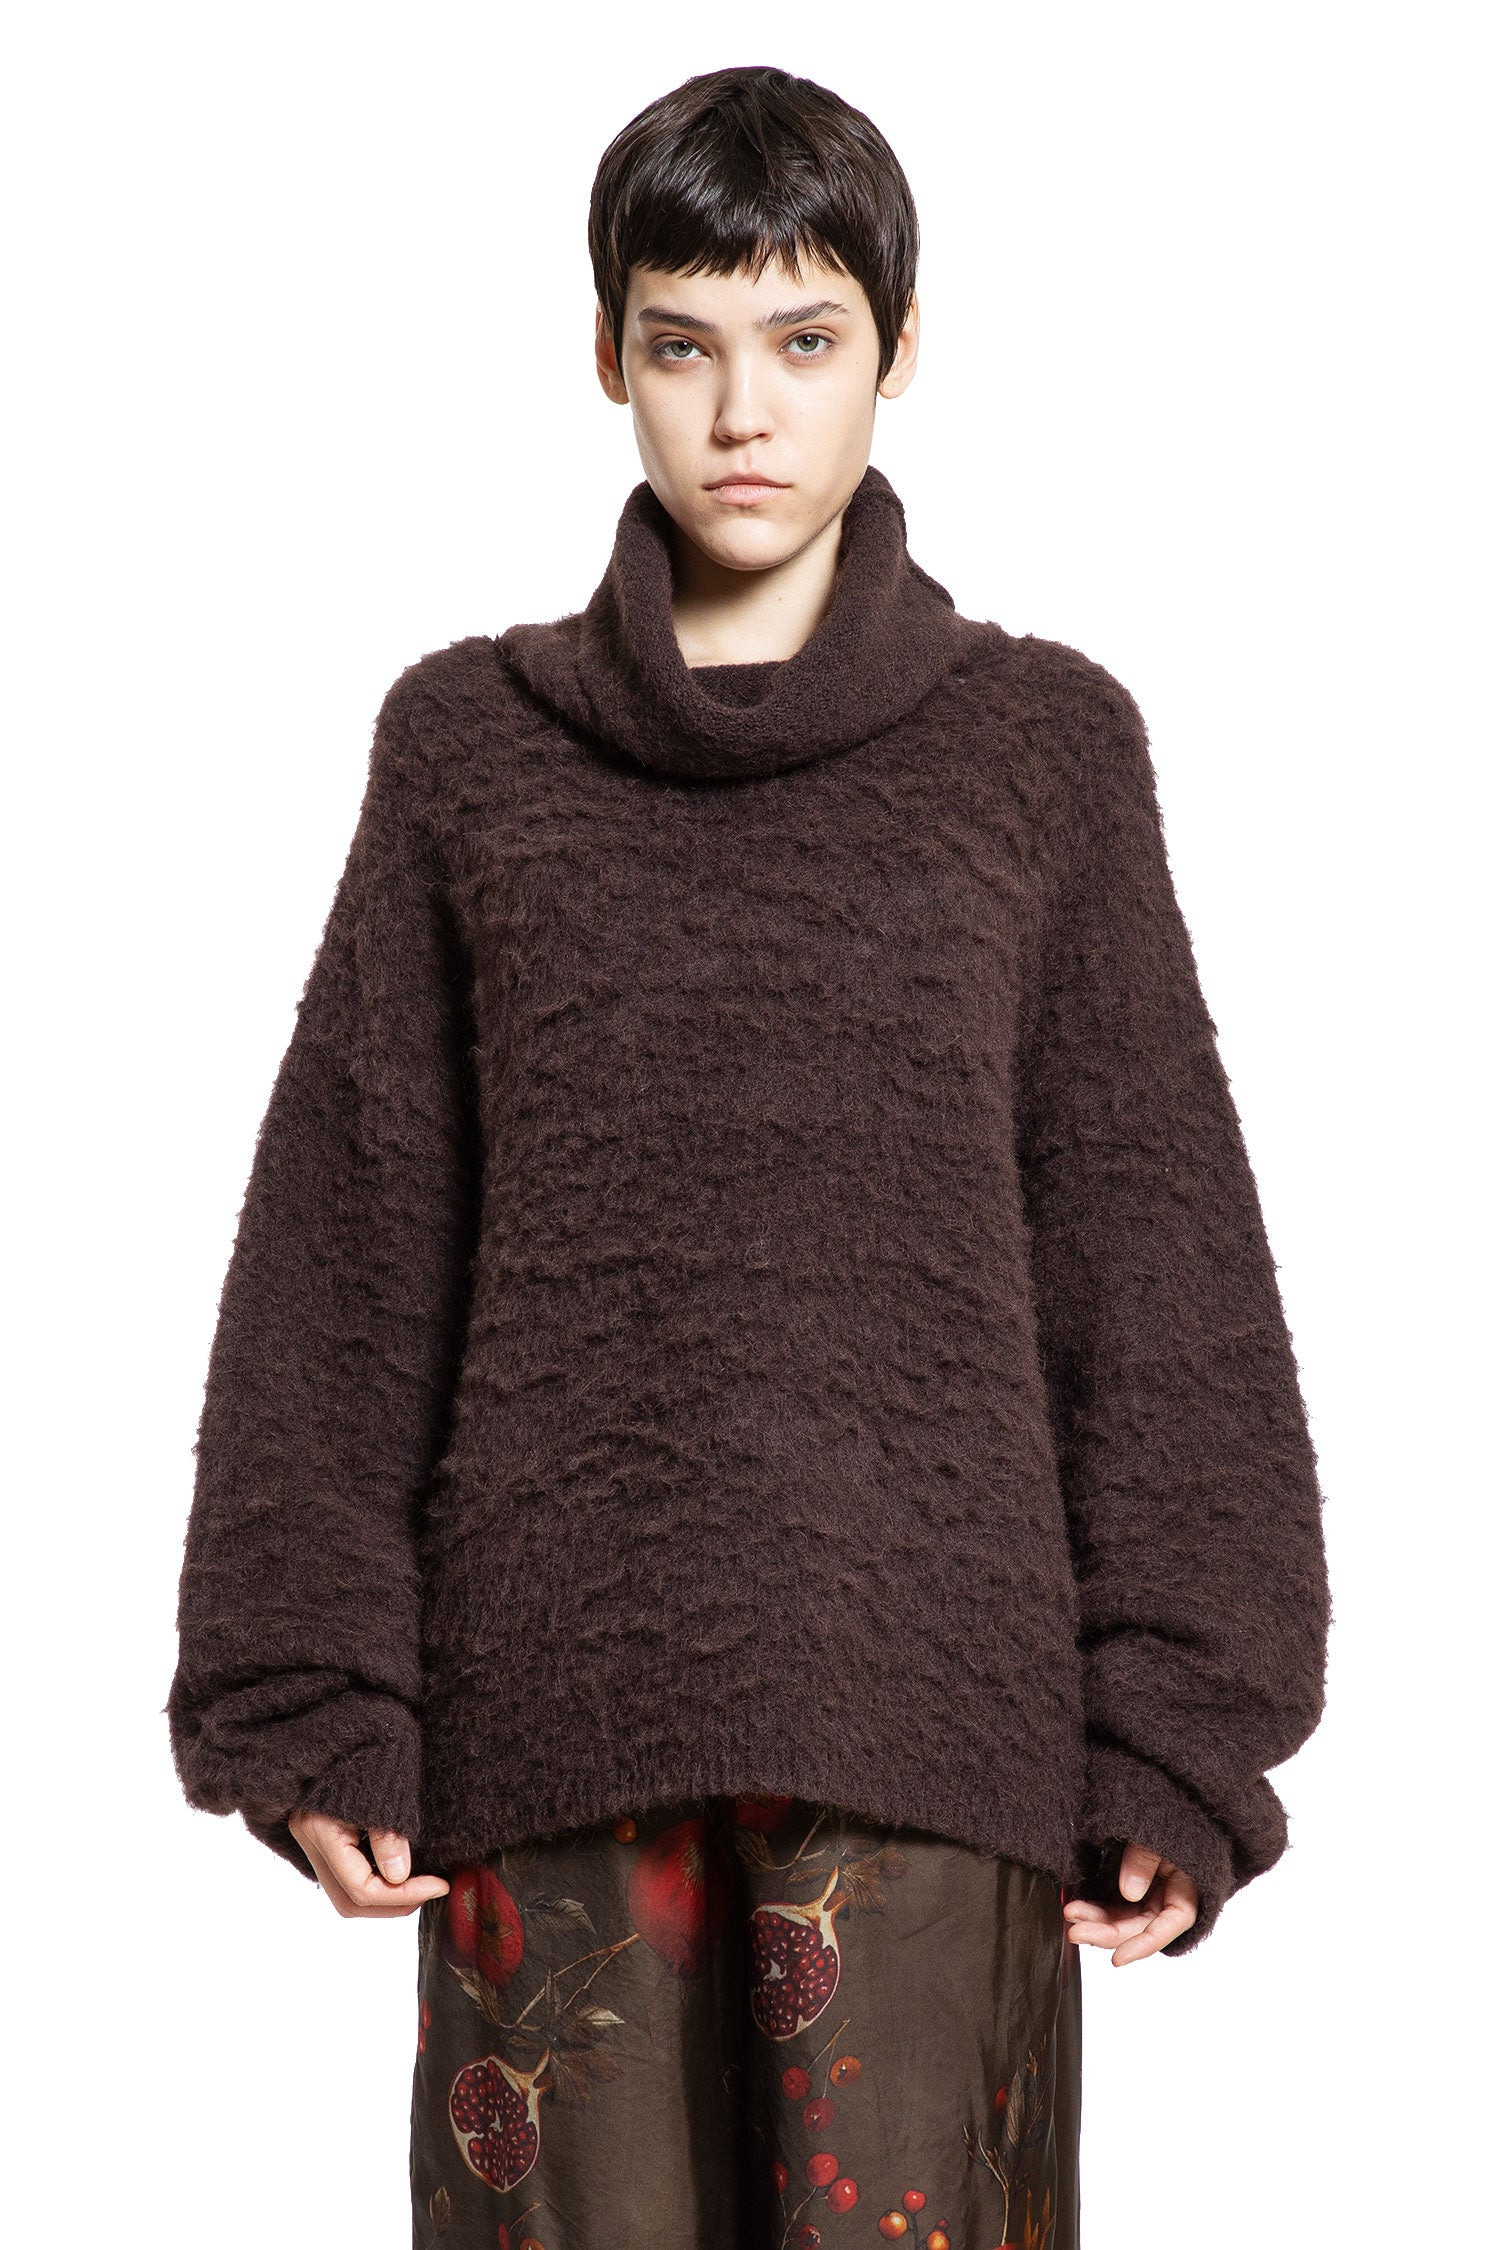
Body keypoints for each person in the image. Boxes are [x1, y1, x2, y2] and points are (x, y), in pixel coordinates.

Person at [165, 63, 1330, 2249]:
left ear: (903, 345)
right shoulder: (467, 751)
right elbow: (349, 1242)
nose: (742, 412)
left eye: (804, 341)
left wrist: (1183, 1716)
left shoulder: (1044, 752)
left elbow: (1152, 1250)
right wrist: (305, 1690)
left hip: (935, 1741)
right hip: (553, 1738)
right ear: (606, 355)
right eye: (684, 343)